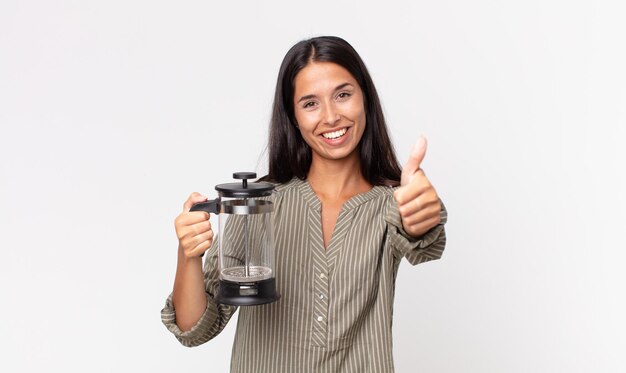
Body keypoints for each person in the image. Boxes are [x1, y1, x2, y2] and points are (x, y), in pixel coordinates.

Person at [161, 36, 447, 373]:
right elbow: (196, 328)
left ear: (365, 99)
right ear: (293, 116)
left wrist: (420, 216)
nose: (330, 117)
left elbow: (425, 241)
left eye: (343, 95)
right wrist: (188, 255)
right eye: (310, 103)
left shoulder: (392, 203)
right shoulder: (257, 203)